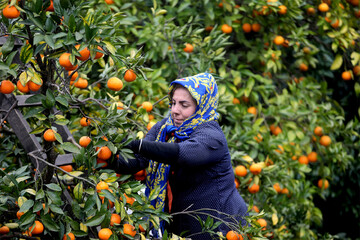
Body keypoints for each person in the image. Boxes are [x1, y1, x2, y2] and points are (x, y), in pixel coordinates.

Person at [112, 72, 248, 239]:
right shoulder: (166, 128)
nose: (175, 110)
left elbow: (182, 154)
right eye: (173, 103)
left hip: (221, 225)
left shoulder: (211, 135)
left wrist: (134, 144)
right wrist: (108, 156)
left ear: (201, 106)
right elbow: (139, 161)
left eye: (184, 105)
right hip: (180, 223)